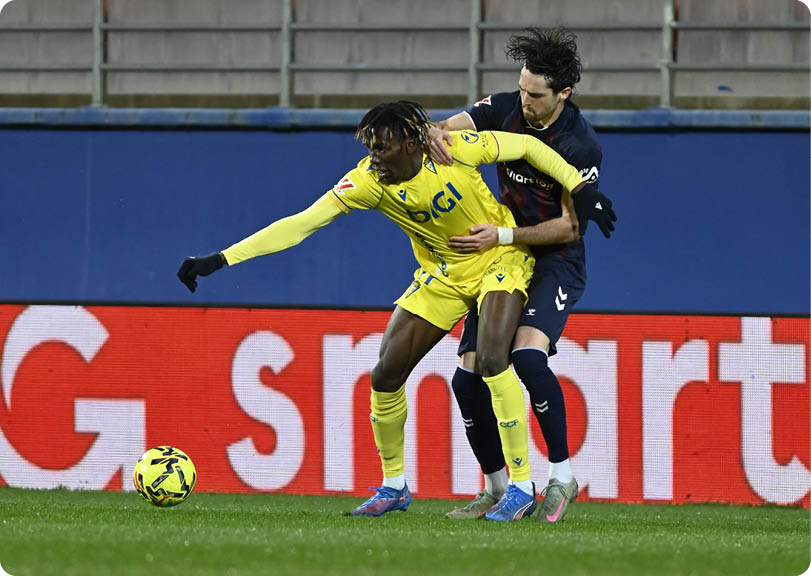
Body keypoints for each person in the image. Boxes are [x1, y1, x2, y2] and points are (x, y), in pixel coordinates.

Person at [177, 101, 597, 520]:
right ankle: (394, 485)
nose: (374, 157)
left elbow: (526, 146)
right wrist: (221, 258)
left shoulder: (454, 149)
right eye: (372, 147)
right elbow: (301, 223)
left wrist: (576, 187)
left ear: (413, 144)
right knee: (386, 373)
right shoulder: (367, 181)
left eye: (383, 148)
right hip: (444, 275)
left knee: (491, 360)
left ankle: (521, 486)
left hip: (499, 261)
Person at [428, 27, 615, 523]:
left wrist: (503, 236)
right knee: (467, 380)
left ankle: (561, 476)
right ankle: (495, 488)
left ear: (564, 94)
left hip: (553, 259)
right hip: (501, 258)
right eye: (522, 89)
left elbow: (571, 225)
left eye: (536, 95)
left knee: (527, 360)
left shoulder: (580, 144)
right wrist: (435, 133)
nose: (525, 100)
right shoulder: (507, 105)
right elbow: (448, 126)